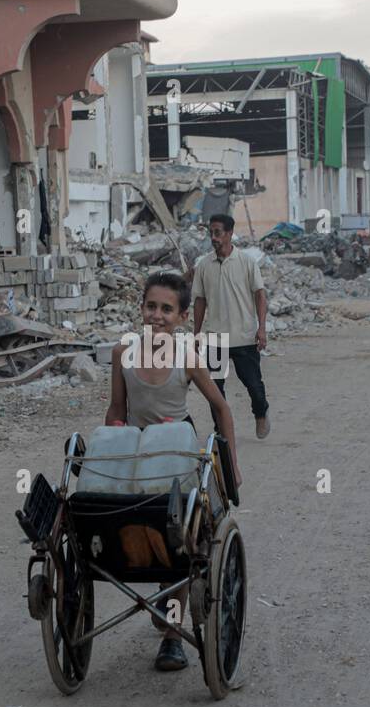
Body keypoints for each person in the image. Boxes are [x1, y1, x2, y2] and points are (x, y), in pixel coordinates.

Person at [106, 271, 241, 672]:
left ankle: (172, 639)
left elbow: (221, 408)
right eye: (151, 307)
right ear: (141, 309)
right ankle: (164, 597)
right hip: (136, 444)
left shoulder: (188, 357)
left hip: (178, 445)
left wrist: (230, 462)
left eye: (167, 309)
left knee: (182, 533)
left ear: (183, 316)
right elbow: (116, 407)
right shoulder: (123, 353)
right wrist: (110, 439)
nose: (157, 316)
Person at [192, 213, 271, 439]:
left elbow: (260, 295)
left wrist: (261, 328)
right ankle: (222, 430)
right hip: (216, 339)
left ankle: (261, 412)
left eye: (218, 233)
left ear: (229, 233)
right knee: (214, 389)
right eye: (211, 233)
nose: (214, 237)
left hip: (244, 336)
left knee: (253, 384)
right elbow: (199, 300)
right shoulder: (204, 265)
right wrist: (196, 334)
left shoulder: (246, 262)